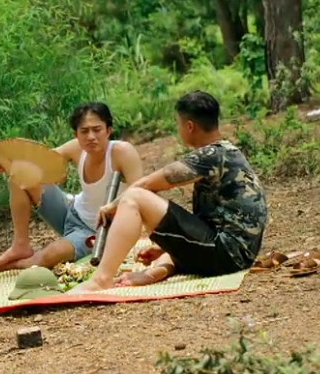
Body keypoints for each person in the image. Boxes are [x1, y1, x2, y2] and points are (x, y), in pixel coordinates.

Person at [68, 90, 268, 294]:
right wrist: (168, 247)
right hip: (234, 253)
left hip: (227, 255)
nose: (178, 129)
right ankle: (155, 271)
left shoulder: (212, 154)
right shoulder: (225, 151)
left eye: (178, 123)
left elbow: (146, 184)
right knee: (140, 200)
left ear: (189, 126)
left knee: (135, 196)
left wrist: (112, 206)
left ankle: (101, 279)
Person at [0, 101, 145, 273]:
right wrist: (0, 163)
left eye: (97, 130)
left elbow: (139, 193)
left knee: (48, 256)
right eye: (84, 131)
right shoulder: (76, 148)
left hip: (95, 231)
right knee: (19, 174)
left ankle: (18, 265)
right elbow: (38, 162)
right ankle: (20, 245)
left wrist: (112, 207)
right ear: (76, 134)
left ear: (108, 130)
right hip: (70, 210)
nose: (91, 136)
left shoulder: (122, 152)